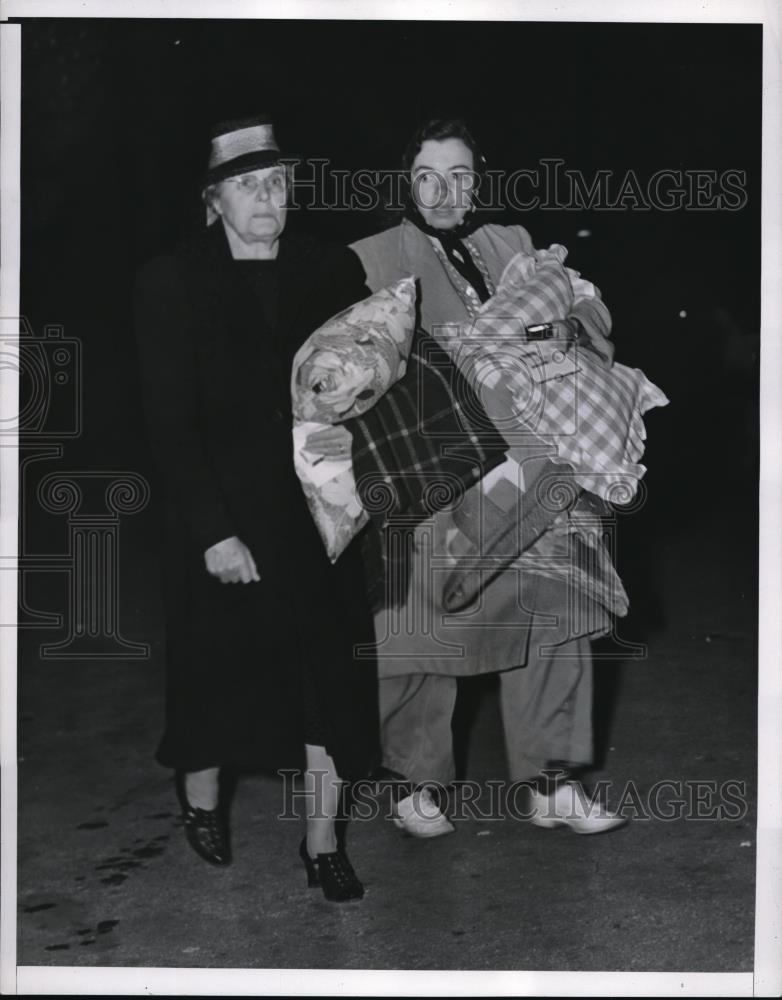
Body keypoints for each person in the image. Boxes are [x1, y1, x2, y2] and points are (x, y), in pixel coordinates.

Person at [343, 118, 628, 836]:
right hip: (438, 468)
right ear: (403, 181)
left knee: (560, 610)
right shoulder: (369, 257)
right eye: (429, 175)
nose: (447, 191)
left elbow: (587, 308)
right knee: (419, 627)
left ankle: (551, 781)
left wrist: (560, 329)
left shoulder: (513, 244)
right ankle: (414, 785)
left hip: (536, 460)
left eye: (462, 175)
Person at [133, 115, 379, 901]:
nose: (268, 197)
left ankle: (322, 846)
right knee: (220, 683)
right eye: (248, 185)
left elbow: (375, 375)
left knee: (326, 688)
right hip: (225, 519)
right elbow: (167, 423)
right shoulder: (169, 282)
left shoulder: (331, 269)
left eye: (277, 183)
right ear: (215, 201)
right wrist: (214, 531)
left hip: (320, 516)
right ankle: (200, 798)